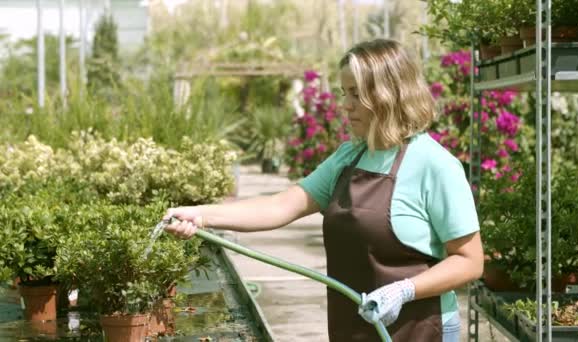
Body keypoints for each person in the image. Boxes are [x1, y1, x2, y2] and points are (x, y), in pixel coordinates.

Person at [163, 39, 484, 342]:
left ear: (389, 94)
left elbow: (470, 261)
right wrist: (201, 215)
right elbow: (281, 206)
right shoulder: (350, 156)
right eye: (344, 93)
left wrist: (403, 290)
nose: (345, 105)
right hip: (353, 326)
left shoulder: (435, 166)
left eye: (356, 94)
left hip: (418, 330)